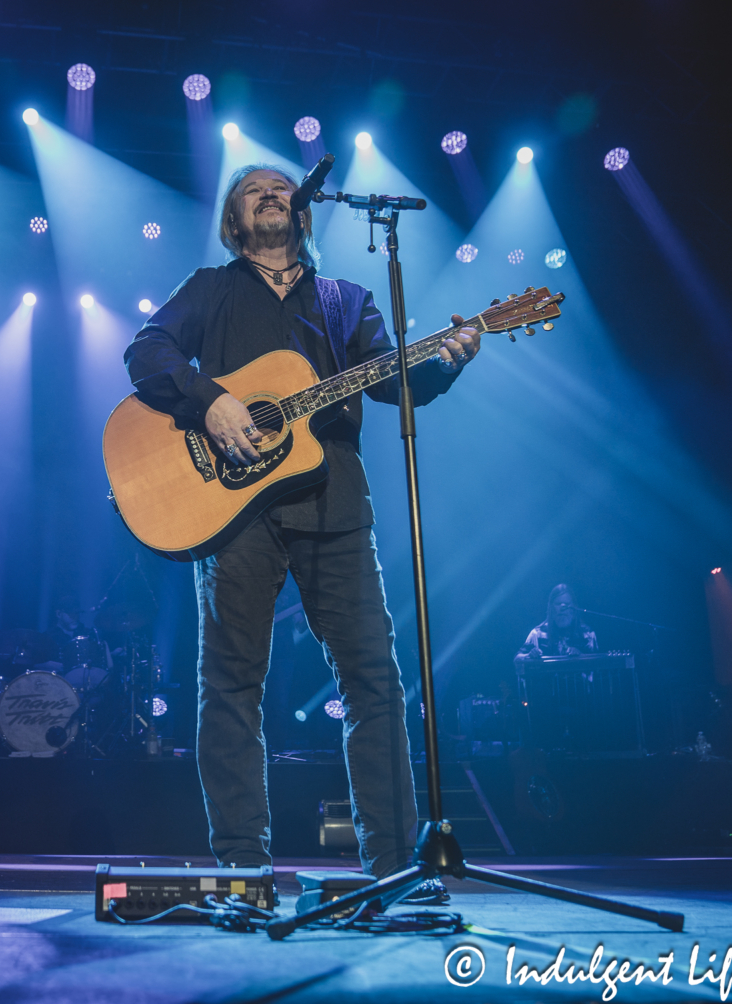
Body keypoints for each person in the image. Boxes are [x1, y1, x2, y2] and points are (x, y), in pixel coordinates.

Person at [124, 164, 481, 878]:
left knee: (374, 680)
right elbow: (146, 352)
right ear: (234, 218)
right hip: (232, 512)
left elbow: (392, 381)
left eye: (280, 185)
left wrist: (442, 363)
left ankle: (390, 870)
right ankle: (242, 868)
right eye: (250, 187)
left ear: (304, 209)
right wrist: (212, 401)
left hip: (335, 505)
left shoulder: (347, 298)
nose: (268, 190)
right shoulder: (210, 287)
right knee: (231, 683)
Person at [516, 583, 598, 660]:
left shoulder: (587, 633)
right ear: (551, 608)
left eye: (566, 603)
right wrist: (529, 655)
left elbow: (597, 665)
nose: (563, 607)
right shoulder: (537, 633)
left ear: (573, 609)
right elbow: (517, 658)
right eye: (558, 603)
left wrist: (580, 656)